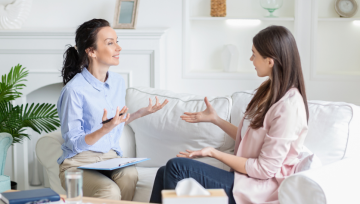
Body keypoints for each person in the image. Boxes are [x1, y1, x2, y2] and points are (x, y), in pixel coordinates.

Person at [150, 25, 309, 204]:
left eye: (254, 54)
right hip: (245, 181)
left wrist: (213, 152)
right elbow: (250, 138)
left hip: (261, 191)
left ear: (270, 61)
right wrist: (216, 120)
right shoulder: (268, 90)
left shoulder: (289, 107)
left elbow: (265, 170)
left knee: (176, 167)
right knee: (163, 172)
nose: (251, 59)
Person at [57, 19, 168, 201]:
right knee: (110, 191)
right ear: (91, 51)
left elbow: (114, 122)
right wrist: (104, 130)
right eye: (110, 43)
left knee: (130, 175)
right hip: (79, 161)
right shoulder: (73, 90)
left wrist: (142, 112)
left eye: (117, 41)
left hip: (109, 157)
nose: (118, 48)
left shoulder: (117, 82)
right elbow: (74, 143)